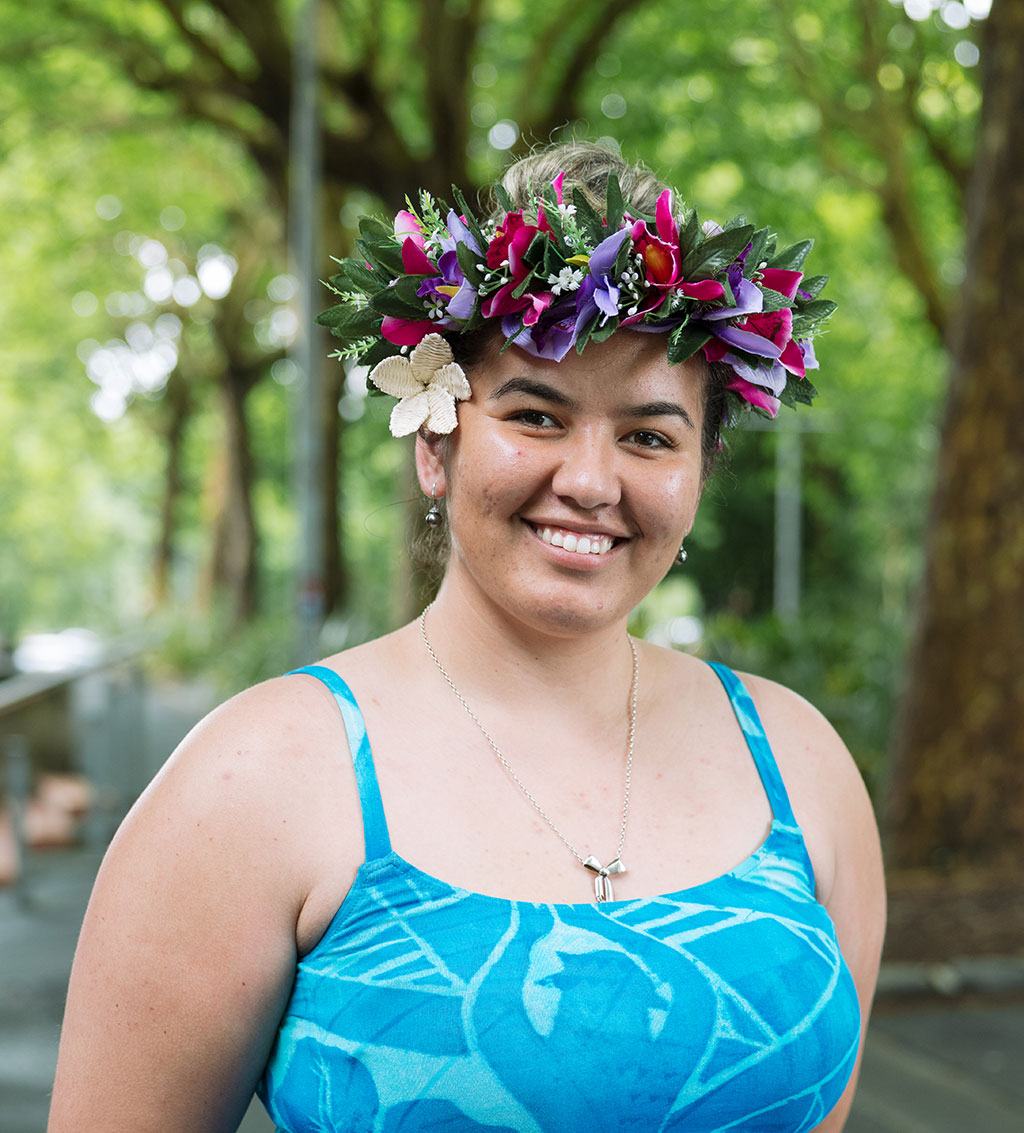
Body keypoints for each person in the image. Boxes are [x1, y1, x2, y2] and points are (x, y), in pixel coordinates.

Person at [49, 142, 885, 1132]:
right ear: (434, 445)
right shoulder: (255, 778)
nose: (589, 479)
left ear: (699, 473)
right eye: (535, 414)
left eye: (649, 435)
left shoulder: (798, 761)